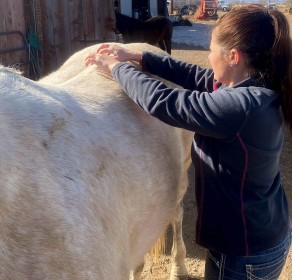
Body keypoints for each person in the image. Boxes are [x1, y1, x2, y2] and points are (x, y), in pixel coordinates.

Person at [85, 4, 292, 279]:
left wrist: (116, 67)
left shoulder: (238, 107)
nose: (207, 57)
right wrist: (138, 56)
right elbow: (193, 76)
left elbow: (162, 100)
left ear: (233, 56)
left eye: (211, 50)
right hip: (263, 233)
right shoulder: (259, 86)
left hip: (243, 252)